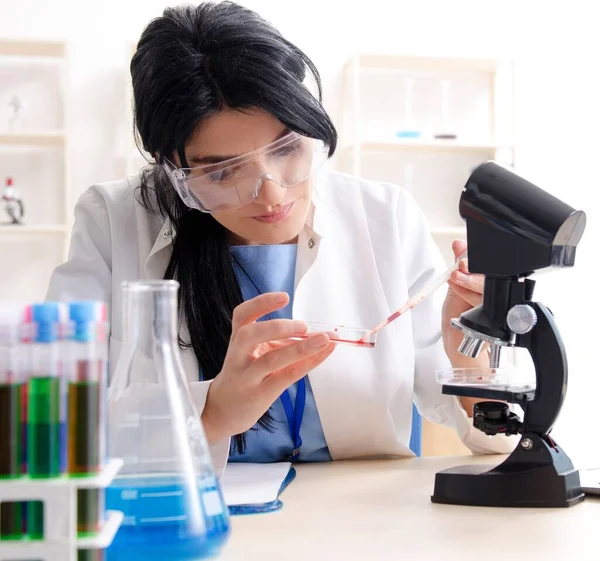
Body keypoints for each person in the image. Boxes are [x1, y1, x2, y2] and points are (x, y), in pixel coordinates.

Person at [46, 1, 517, 474]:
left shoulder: (384, 216)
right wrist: (210, 413)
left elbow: (497, 439)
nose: (272, 193)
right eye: (223, 170)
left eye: (288, 147)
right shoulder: (112, 219)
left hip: (366, 524)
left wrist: (471, 364)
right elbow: (54, 423)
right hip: (195, 520)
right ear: (173, 169)